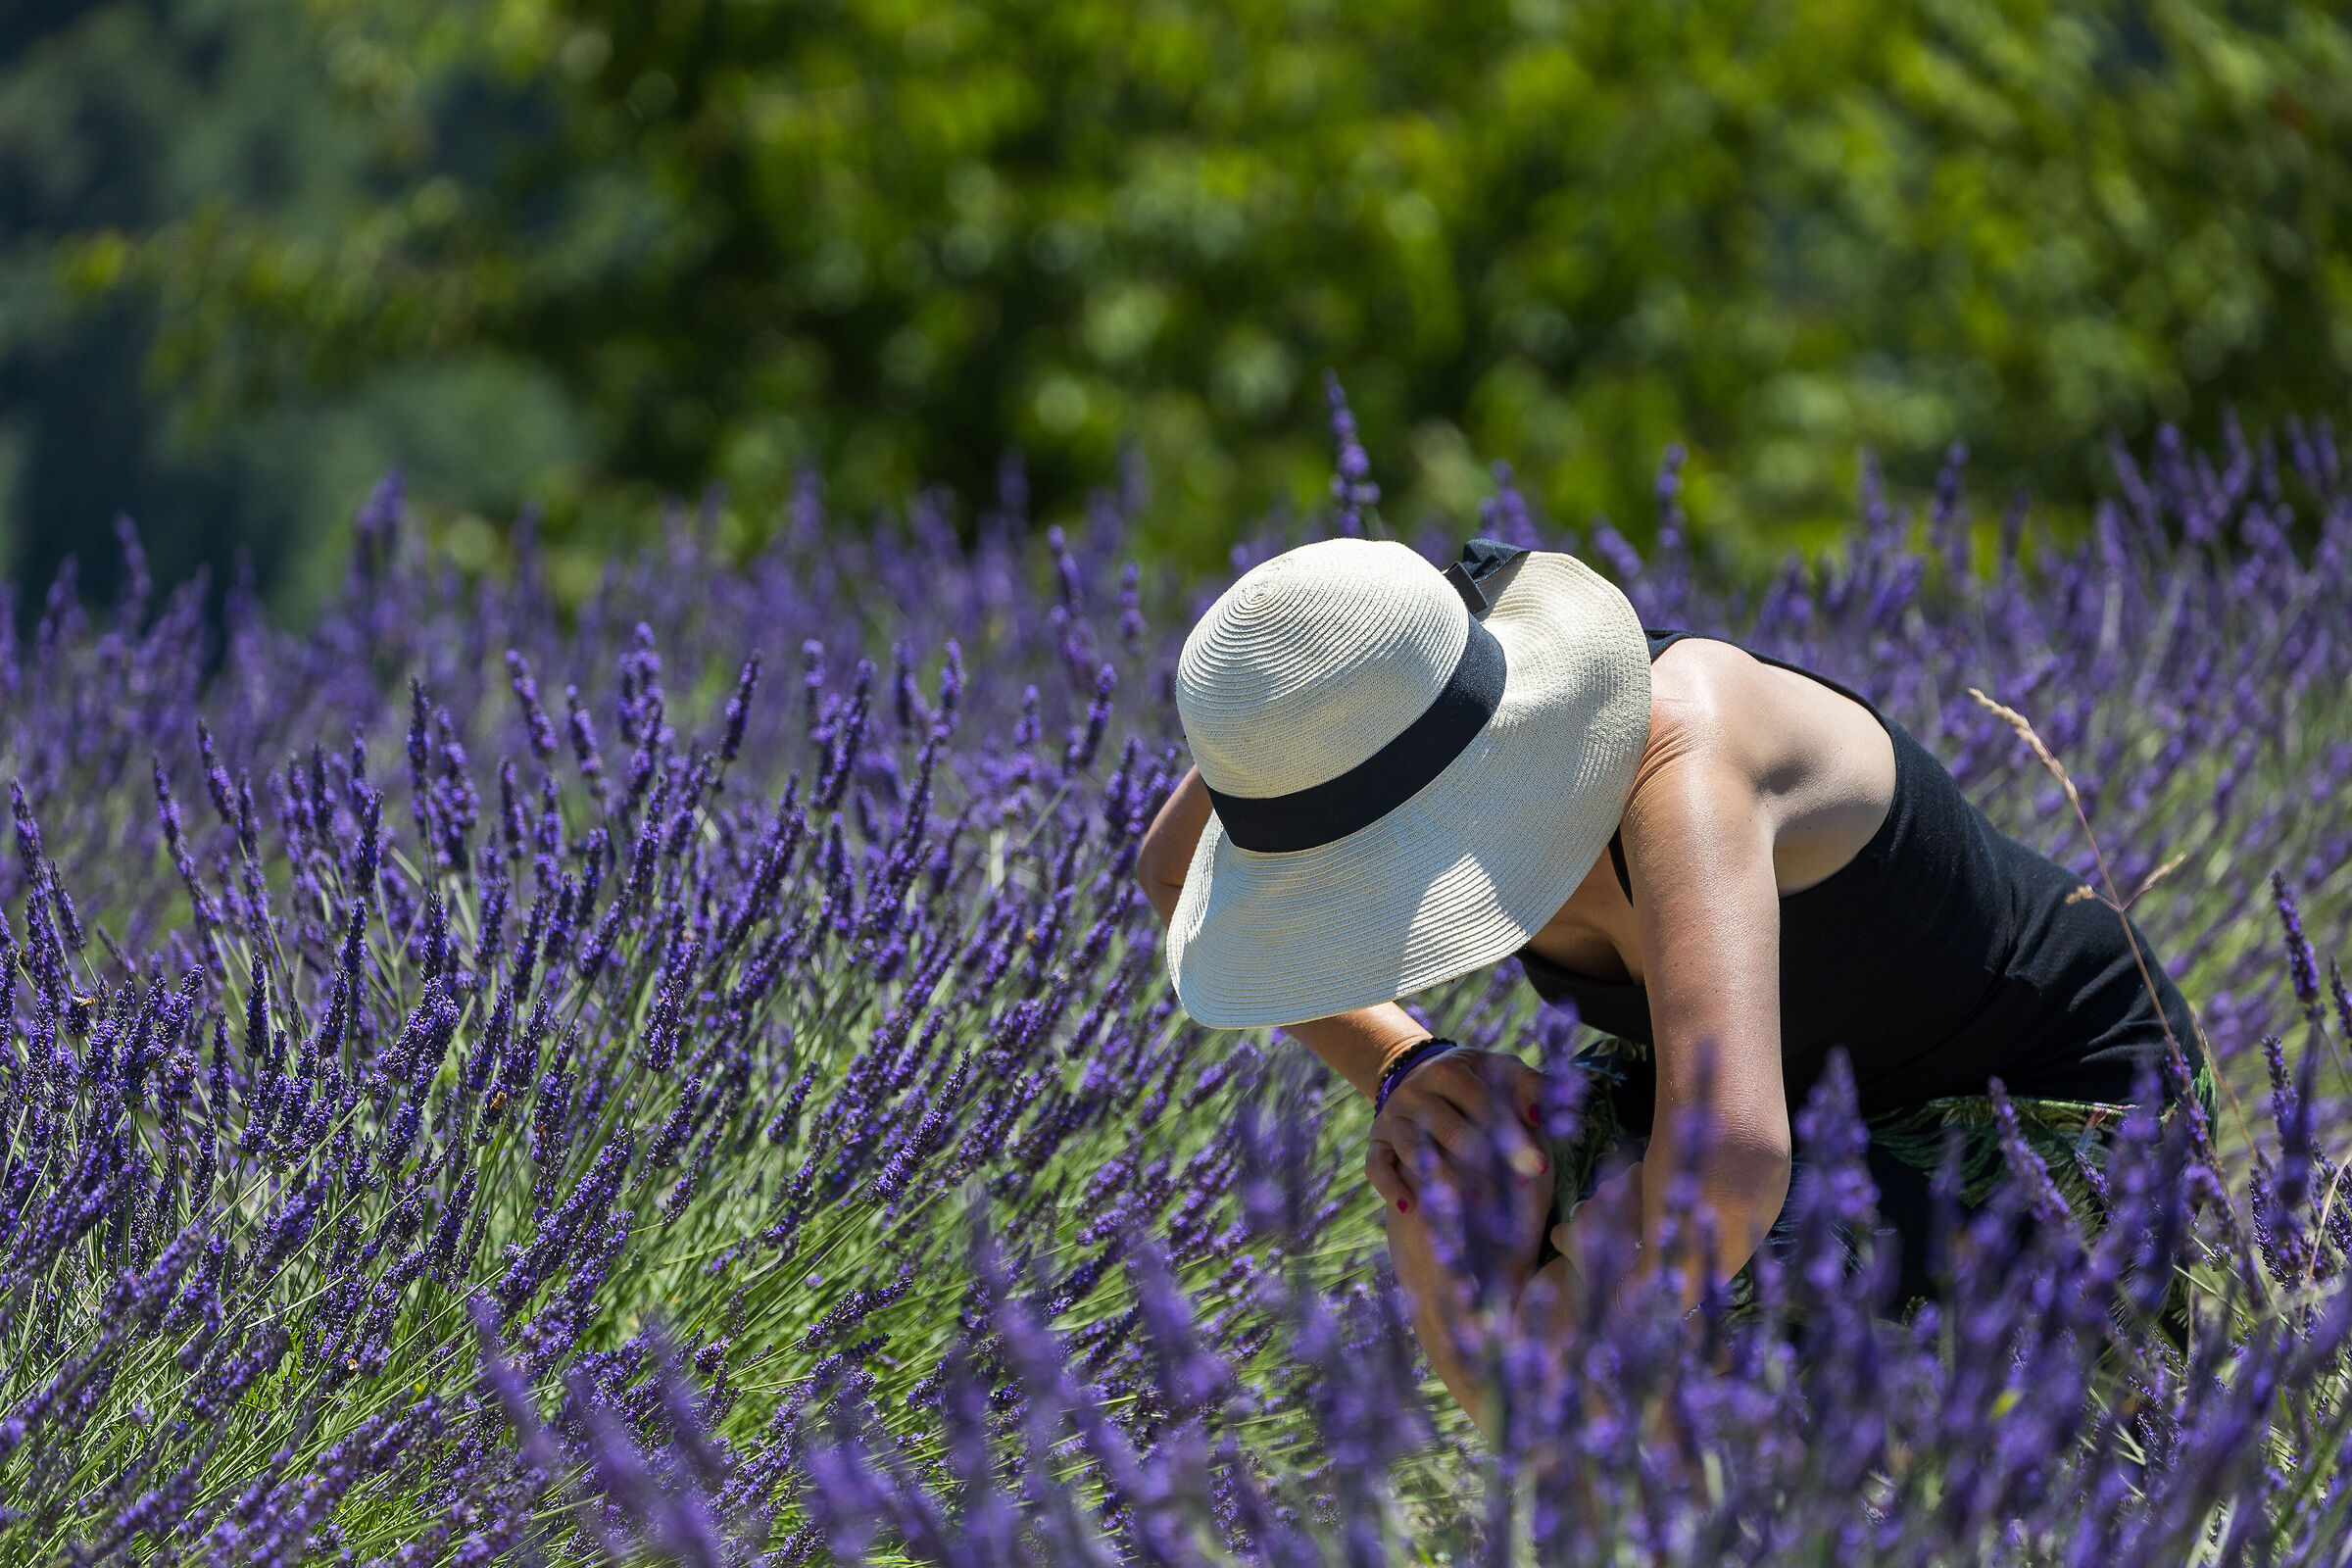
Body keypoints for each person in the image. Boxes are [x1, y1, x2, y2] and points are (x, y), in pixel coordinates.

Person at [1136, 536, 2203, 1424]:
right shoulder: (1351, 715)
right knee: (1450, 1188)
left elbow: (1729, 1166)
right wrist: (1406, 1062)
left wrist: (1555, 1310)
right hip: (1774, 1099)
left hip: (2029, 1105)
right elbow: (1173, 869)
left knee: (1667, 1319)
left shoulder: (1678, 753)